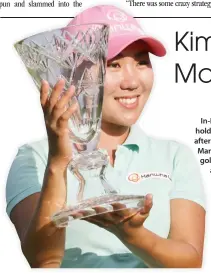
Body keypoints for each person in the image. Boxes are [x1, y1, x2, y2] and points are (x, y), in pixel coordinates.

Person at [6, 5, 206, 268]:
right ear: (71, 74)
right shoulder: (33, 158)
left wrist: (133, 235)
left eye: (141, 62)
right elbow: (43, 260)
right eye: (114, 64)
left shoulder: (175, 155)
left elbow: (190, 261)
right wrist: (58, 161)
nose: (132, 80)